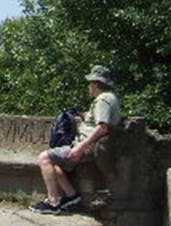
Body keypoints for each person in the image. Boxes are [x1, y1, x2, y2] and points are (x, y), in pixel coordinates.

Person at [30, 65, 122, 215]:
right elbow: (98, 121)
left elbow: (102, 127)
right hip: (95, 146)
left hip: (88, 148)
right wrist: (83, 117)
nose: (89, 87)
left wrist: (80, 148)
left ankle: (53, 202)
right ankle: (72, 196)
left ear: (96, 84)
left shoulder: (103, 99)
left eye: (90, 83)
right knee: (55, 162)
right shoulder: (111, 98)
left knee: (44, 157)